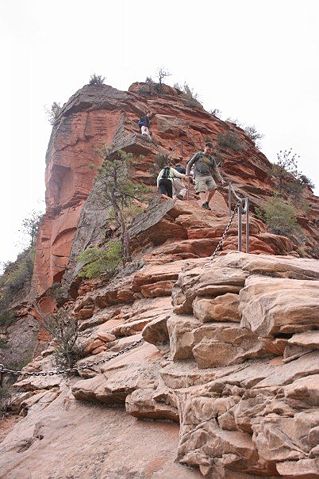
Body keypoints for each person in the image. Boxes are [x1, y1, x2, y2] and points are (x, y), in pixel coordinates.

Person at [186, 141, 226, 210]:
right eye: (207, 149)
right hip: (199, 175)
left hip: (208, 175)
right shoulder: (198, 155)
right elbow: (189, 164)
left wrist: (221, 179)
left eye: (210, 150)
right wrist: (187, 174)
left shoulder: (211, 159)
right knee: (201, 189)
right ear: (204, 148)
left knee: (213, 188)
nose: (208, 151)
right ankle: (203, 203)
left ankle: (207, 202)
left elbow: (215, 170)